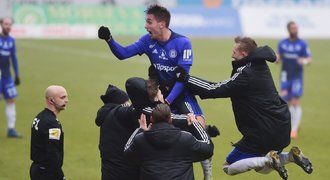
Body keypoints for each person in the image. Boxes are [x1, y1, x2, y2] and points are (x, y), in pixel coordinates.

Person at [98, 5, 213, 177]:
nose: (146, 26)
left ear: (162, 24)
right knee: (152, 129)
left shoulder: (183, 42)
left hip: (181, 94)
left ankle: (206, 171)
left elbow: (182, 79)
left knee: (198, 124)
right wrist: (109, 39)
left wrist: (168, 101)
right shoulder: (147, 41)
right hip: (160, 94)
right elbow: (123, 53)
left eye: (149, 22)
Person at [176, 37, 313, 179]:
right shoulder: (260, 65)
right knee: (262, 168)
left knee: (228, 167)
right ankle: (291, 157)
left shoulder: (246, 74)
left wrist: (186, 78)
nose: (231, 55)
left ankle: (269, 159)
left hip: (263, 132)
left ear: (243, 54)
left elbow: (214, 89)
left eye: (234, 51)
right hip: (281, 127)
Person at [124, 103, 214, 180]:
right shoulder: (186, 138)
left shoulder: (141, 140)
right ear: (170, 119)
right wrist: (195, 124)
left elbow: (127, 153)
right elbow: (208, 148)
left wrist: (140, 129)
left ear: (151, 119)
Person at [95, 84, 140, 180]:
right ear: (121, 104)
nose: (128, 103)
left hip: (109, 171)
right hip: (125, 172)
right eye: (126, 101)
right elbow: (134, 110)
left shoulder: (106, 116)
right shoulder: (118, 114)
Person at [277, 21, 312, 139]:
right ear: (288, 29)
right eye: (292, 28)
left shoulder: (302, 44)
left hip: (297, 77)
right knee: (284, 101)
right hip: (285, 75)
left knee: (295, 101)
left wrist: (305, 61)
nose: (295, 30)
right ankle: (287, 125)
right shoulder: (282, 43)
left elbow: (309, 58)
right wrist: (276, 58)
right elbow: (279, 57)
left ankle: (294, 129)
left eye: (296, 28)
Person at [30, 85, 68, 180]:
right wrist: (60, 175)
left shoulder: (40, 116)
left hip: (37, 168)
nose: (67, 100)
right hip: (47, 173)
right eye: (62, 97)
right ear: (51, 100)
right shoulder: (51, 124)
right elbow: (52, 152)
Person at [0, 17, 21, 137]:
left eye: (10, 24)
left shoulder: (11, 40)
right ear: (1, 24)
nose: (8, 26)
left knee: (11, 100)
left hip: (7, 77)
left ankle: (11, 129)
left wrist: (17, 74)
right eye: (6, 24)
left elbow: (14, 58)